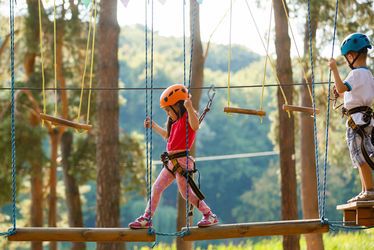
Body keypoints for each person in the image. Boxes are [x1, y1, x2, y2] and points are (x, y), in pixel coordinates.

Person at [129, 84, 218, 229]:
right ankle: (147, 217)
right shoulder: (175, 123)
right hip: (171, 162)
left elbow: (195, 126)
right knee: (157, 187)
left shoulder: (188, 117)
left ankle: (209, 215)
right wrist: (154, 126)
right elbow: (167, 136)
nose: (167, 113)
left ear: (177, 106)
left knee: (186, 193)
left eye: (168, 110)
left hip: (182, 162)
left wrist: (189, 107)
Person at [328, 33, 374, 202]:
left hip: (357, 121)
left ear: (352, 56)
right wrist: (342, 96)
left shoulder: (355, 75)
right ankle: (365, 190)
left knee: (359, 156)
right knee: (364, 154)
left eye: (347, 57)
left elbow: (340, 88)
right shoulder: (368, 75)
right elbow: (355, 94)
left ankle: (369, 190)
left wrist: (333, 69)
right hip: (367, 118)